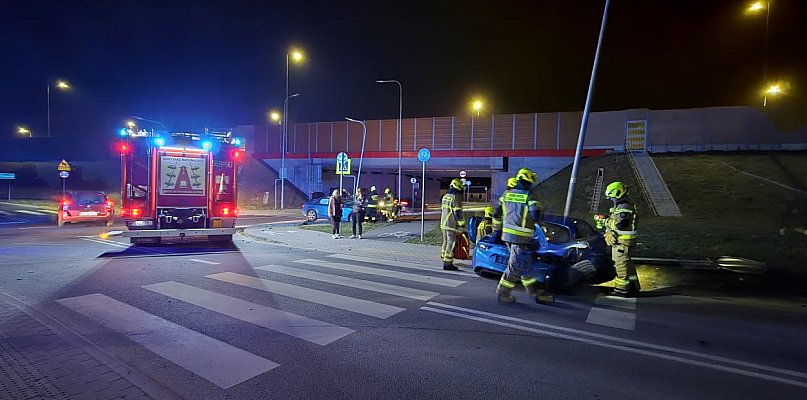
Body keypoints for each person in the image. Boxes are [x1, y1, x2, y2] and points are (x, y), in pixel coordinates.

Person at [492, 168, 554, 304]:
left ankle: (535, 291)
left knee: (524, 263)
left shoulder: (506, 194)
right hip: (521, 237)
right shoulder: (529, 196)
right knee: (515, 266)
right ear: (528, 183)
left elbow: (496, 213)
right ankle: (503, 292)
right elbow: (535, 215)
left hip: (507, 236)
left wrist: (497, 229)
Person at [602, 181, 641, 297]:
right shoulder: (624, 204)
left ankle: (622, 290)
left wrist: (606, 222)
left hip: (622, 242)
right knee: (628, 265)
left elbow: (621, 224)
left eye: (612, 197)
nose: (611, 199)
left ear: (618, 194)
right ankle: (633, 286)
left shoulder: (624, 206)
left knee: (621, 265)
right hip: (624, 241)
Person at [440, 179, 465, 271]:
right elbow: (457, 213)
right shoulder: (456, 197)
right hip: (451, 224)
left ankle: (444, 256)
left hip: (443, 223)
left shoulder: (445, 196)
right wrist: (461, 225)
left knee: (446, 241)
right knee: (451, 242)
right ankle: (448, 263)